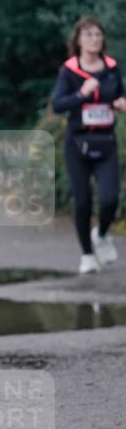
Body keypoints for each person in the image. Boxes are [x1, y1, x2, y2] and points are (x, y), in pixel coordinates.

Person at [52, 16, 125, 273]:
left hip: (106, 141)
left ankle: (102, 234)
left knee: (109, 199)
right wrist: (81, 94)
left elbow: (120, 94)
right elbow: (58, 105)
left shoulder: (112, 68)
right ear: (79, 40)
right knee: (82, 202)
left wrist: (121, 103)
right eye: (89, 35)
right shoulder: (69, 71)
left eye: (98, 35)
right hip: (77, 143)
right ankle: (87, 255)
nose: (95, 39)